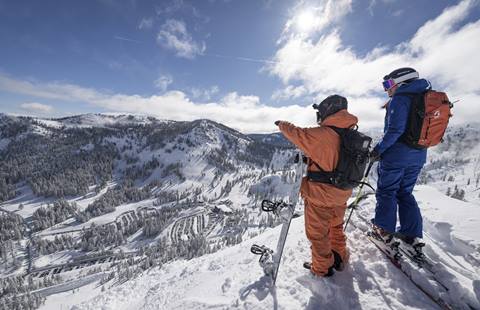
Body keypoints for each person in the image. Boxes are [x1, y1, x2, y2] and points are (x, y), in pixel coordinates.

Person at [275, 95, 357, 277]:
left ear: (327, 111)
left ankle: (322, 269)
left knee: (318, 235)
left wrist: (281, 124)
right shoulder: (353, 134)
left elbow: (296, 133)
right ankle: (339, 255)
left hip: (321, 196)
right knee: (336, 226)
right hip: (342, 193)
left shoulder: (322, 135)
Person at [370, 67, 431, 252]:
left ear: (401, 81)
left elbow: (395, 130)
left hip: (397, 156)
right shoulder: (426, 98)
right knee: (405, 193)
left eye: (388, 84)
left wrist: (379, 150)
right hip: (419, 155)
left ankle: (383, 231)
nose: (386, 89)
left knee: (387, 192)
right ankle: (410, 234)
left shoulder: (400, 99)